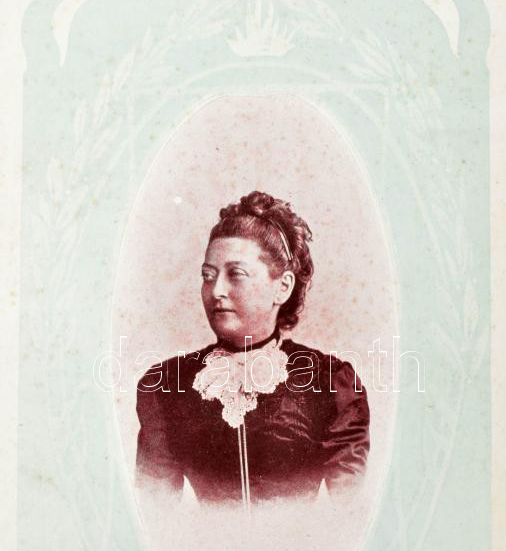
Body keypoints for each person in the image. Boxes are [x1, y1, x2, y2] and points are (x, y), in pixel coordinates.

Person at [135, 190, 370, 505]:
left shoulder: (329, 383)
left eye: (236, 274)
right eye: (208, 276)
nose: (216, 290)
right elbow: (154, 513)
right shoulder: (167, 386)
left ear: (282, 287)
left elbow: (353, 511)